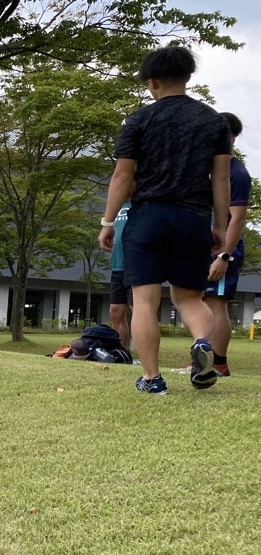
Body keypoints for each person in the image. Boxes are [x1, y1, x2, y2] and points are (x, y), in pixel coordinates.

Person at [97, 45, 231, 395]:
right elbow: (220, 180)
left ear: (152, 82)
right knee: (189, 299)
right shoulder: (213, 121)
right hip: (193, 217)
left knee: (144, 300)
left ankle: (152, 379)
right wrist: (219, 225)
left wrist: (108, 221)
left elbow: (122, 177)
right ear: (188, 77)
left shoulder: (137, 121)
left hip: (148, 217)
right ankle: (203, 342)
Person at [202, 112, 250, 377]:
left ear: (230, 137)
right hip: (205, 246)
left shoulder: (237, 173)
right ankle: (202, 360)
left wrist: (224, 255)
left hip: (224, 250)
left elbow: (238, 218)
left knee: (215, 302)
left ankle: (217, 364)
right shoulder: (210, 170)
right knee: (205, 301)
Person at [108, 200, 133, 351]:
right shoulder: (116, 207)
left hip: (137, 266)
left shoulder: (141, 202)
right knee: (115, 311)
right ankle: (122, 352)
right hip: (117, 267)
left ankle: (145, 357)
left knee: (138, 310)